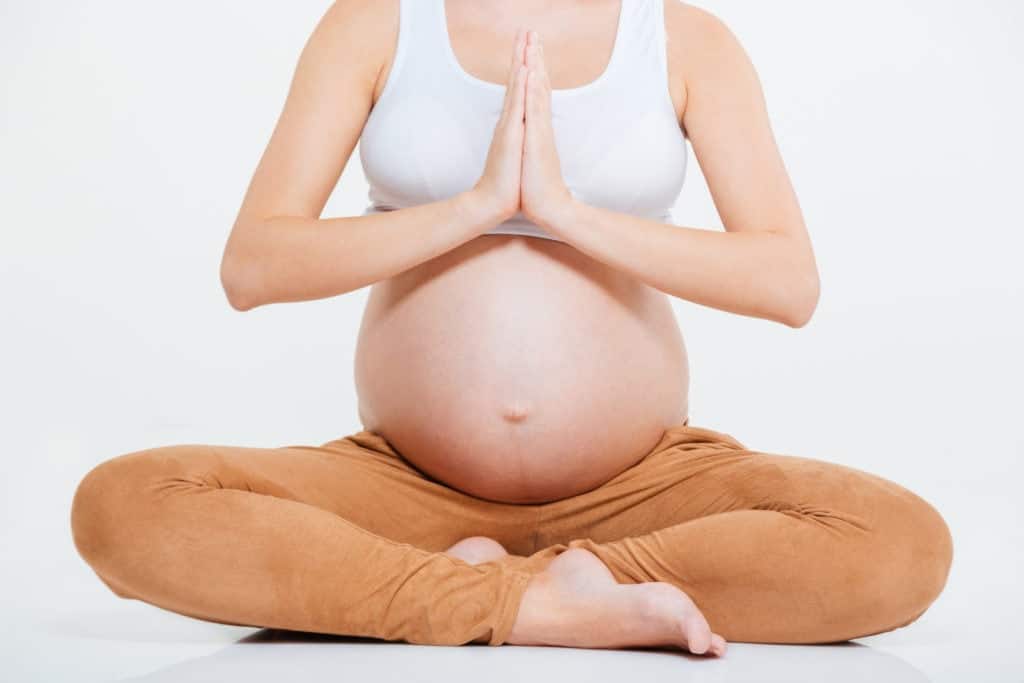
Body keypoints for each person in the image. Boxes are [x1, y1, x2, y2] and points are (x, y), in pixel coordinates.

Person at [70, 0, 953, 657]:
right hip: (407, 489)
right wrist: (478, 205)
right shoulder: (376, 24)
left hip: (645, 487)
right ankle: (550, 602)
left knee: (902, 545)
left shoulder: (685, 41)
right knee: (126, 507)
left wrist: (567, 212)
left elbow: (787, 283)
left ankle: (479, 590)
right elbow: (253, 266)